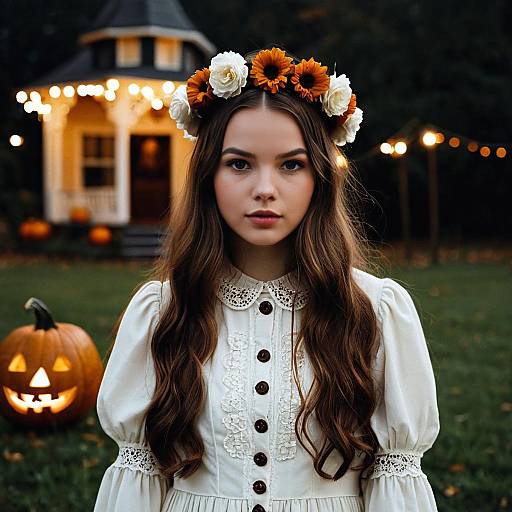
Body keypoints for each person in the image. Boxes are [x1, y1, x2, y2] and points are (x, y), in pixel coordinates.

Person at [93, 46, 440, 512]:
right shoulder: (163, 311)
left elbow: (394, 482)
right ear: (208, 177)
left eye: (290, 165)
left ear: (319, 176)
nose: (264, 189)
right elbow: (139, 477)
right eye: (239, 164)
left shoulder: (373, 311)